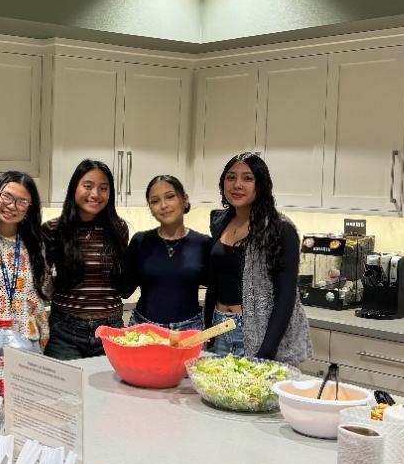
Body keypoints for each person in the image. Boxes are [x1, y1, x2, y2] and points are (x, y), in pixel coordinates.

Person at [202, 152, 312, 363]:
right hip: (219, 328)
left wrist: (265, 352)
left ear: (260, 185)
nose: (237, 185)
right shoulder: (220, 222)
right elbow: (216, 279)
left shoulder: (280, 229)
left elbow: (286, 297)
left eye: (247, 178)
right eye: (231, 177)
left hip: (256, 335)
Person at [41, 159, 131, 361]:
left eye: (103, 188)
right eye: (88, 186)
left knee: (111, 382)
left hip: (110, 330)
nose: (95, 194)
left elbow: (119, 278)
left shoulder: (118, 229)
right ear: (74, 188)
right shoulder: (52, 230)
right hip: (64, 331)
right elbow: (42, 282)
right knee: (66, 383)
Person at [0, 171, 51, 347]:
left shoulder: (35, 245)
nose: (12, 206)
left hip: (27, 340)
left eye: (22, 201)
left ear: (29, 208)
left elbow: (40, 295)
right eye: (7, 196)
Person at [125, 175, 211, 330]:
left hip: (190, 329)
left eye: (170, 196)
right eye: (155, 201)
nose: (163, 205)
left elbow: (216, 288)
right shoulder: (140, 241)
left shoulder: (203, 243)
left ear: (184, 199)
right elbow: (124, 289)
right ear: (150, 208)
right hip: (144, 328)